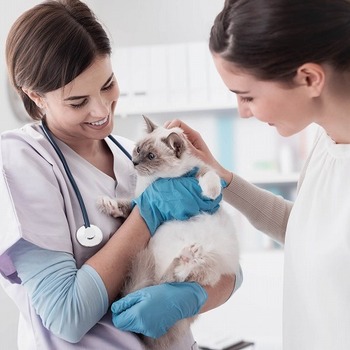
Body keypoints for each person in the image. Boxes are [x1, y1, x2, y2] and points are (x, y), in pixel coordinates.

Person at [0, 1, 242, 349]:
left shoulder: (137, 155)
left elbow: (232, 271)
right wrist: (147, 212)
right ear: (36, 96)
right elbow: (67, 316)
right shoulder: (23, 161)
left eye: (108, 83)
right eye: (77, 101)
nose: (101, 110)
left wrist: (192, 297)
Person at [166, 1, 350, 349]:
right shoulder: (327, 146)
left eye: (247, 96)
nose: (243, 112)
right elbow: (305, 230)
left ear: (309, 78)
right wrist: (218, 176)